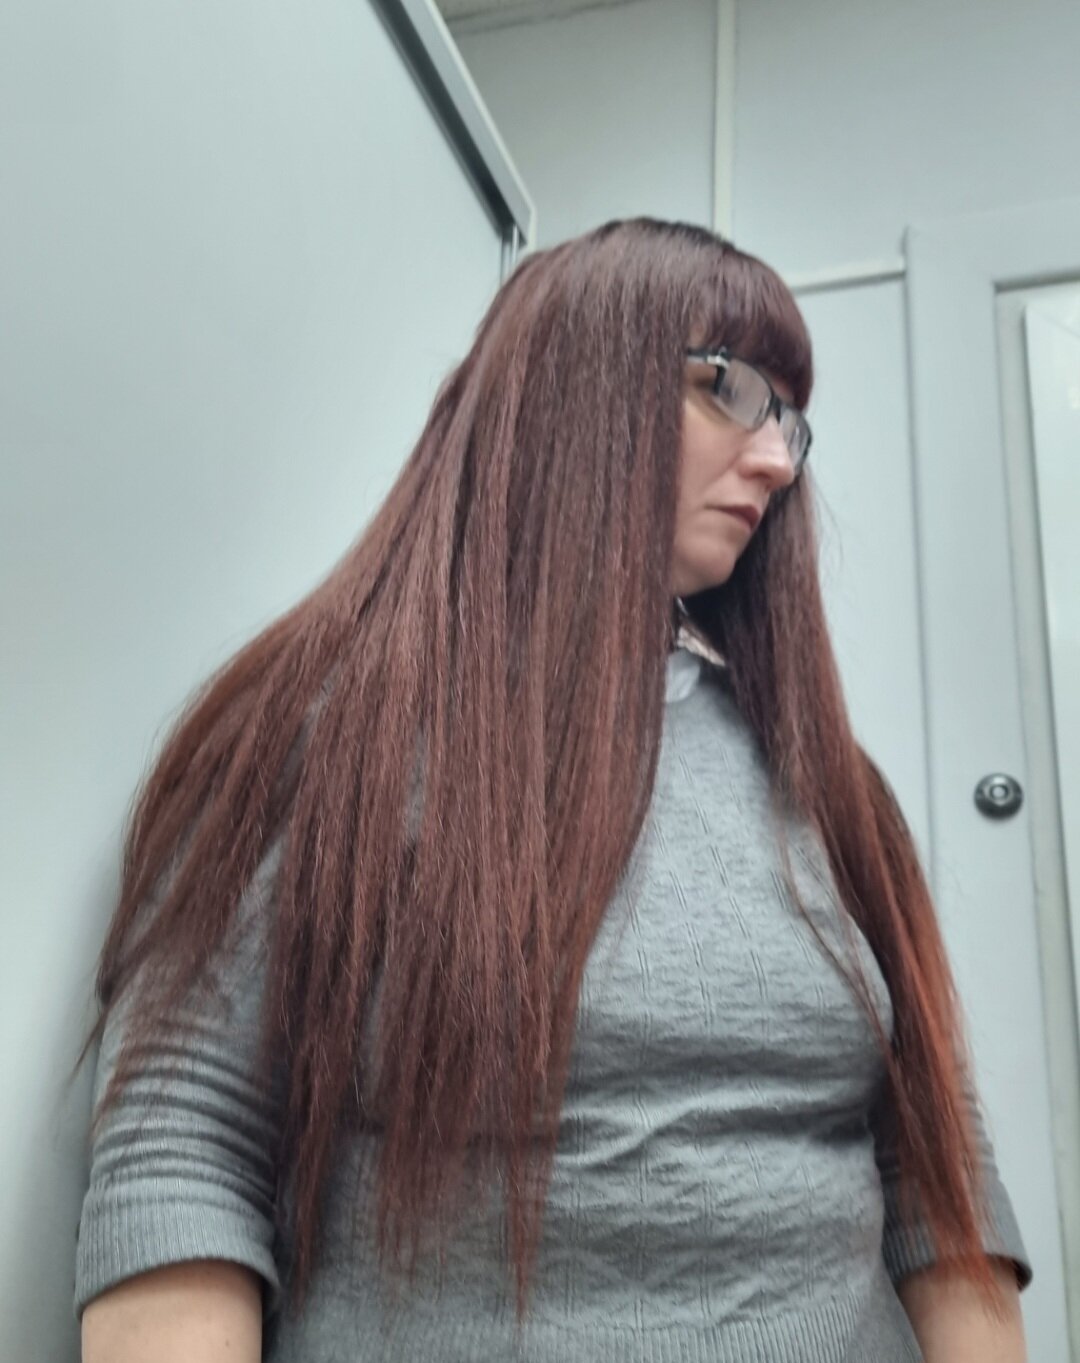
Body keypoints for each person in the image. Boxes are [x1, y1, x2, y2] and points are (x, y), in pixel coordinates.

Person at [73, 217, 1032, 1362]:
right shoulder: (317, 739)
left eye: (789, 419)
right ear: (570, 386)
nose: (779, 462)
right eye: (728, 389)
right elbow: (180, 1153)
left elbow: (940, 1172)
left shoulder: (835, 787)